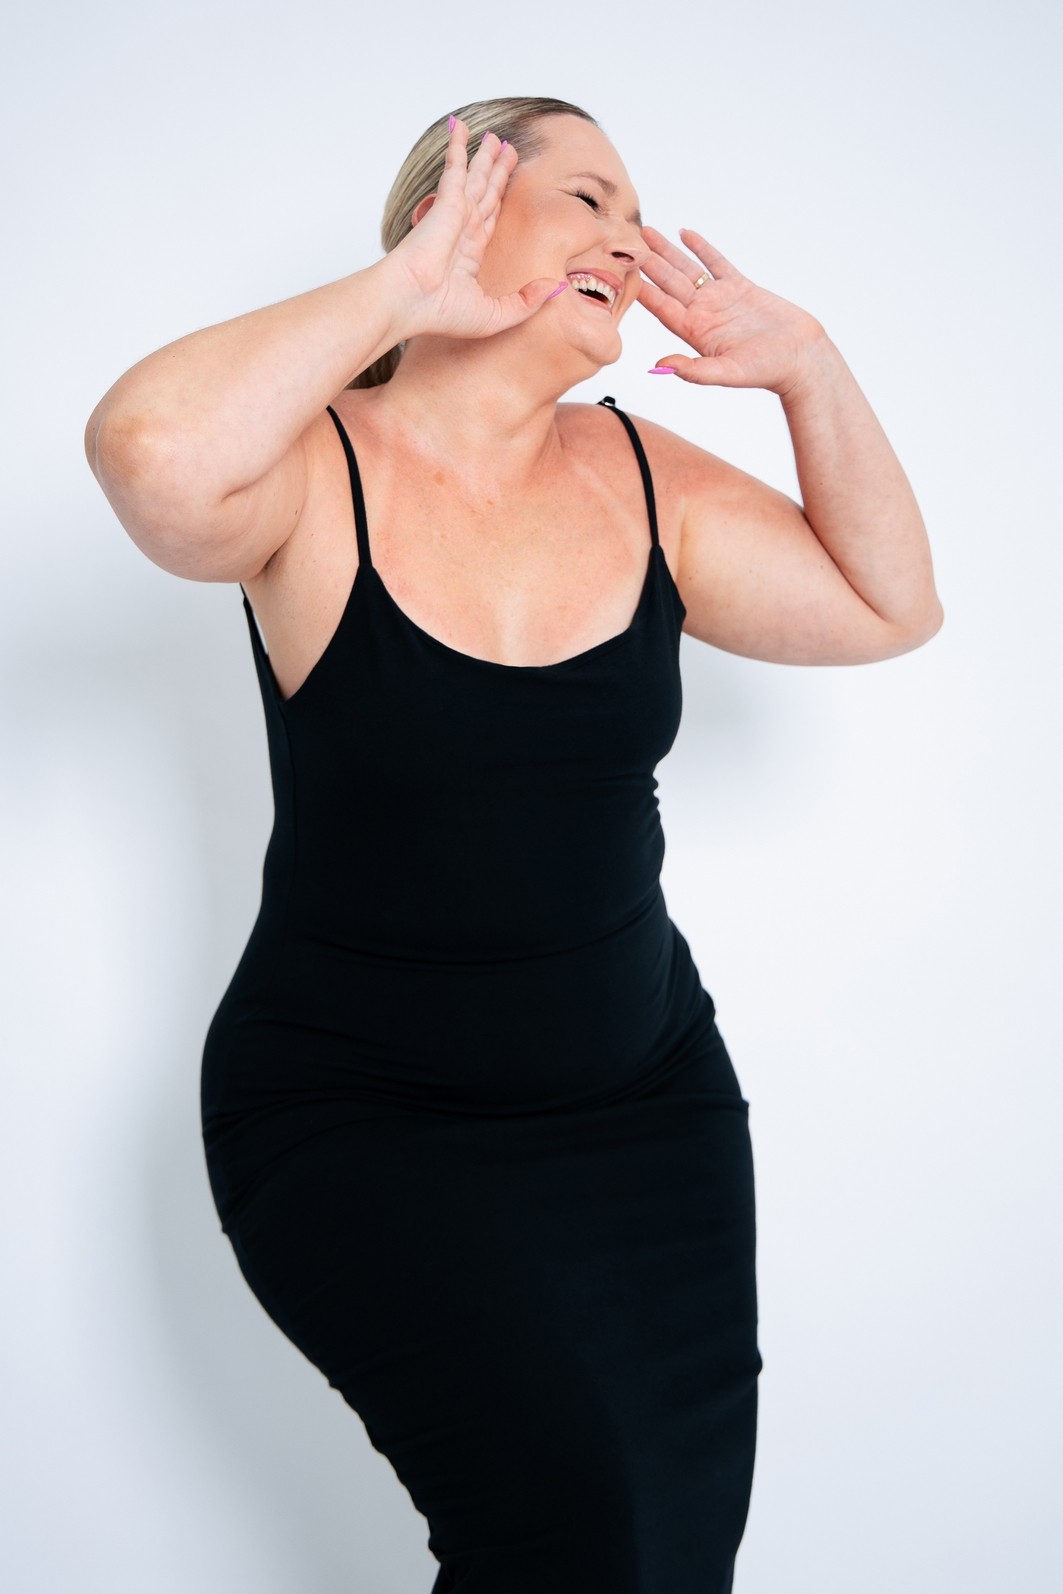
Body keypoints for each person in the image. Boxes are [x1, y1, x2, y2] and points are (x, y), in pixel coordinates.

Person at [84, 95, 942, 1594]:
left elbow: (889, 606)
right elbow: (149, 453)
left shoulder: (644, 474)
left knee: (673, 1551)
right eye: (589, 198)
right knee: (567, 1535)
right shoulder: (310, 468)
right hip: (363, 1126)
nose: (631, 239)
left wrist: (809, 367)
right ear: (461, 211)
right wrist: (401, 291)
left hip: (646, 1114)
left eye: (639, 212)